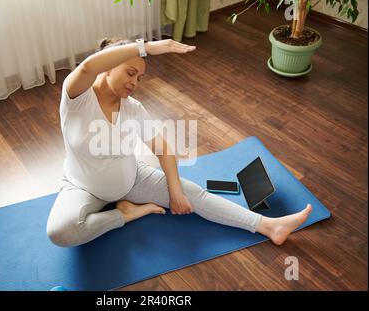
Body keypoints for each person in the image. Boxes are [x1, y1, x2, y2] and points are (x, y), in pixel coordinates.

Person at [46, 36, 312, 248]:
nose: (134, 82)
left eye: (139, 78)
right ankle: (126, 214)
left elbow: (162, 147)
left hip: (132, 178)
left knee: (192, 192)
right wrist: (146, 47)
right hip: (84, 187)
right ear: (108, 68)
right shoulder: (77, 98)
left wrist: (175, 191)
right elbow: (87, 67)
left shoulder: (133, 108)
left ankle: (269, 225)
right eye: (129, 72)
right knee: (60, 232)